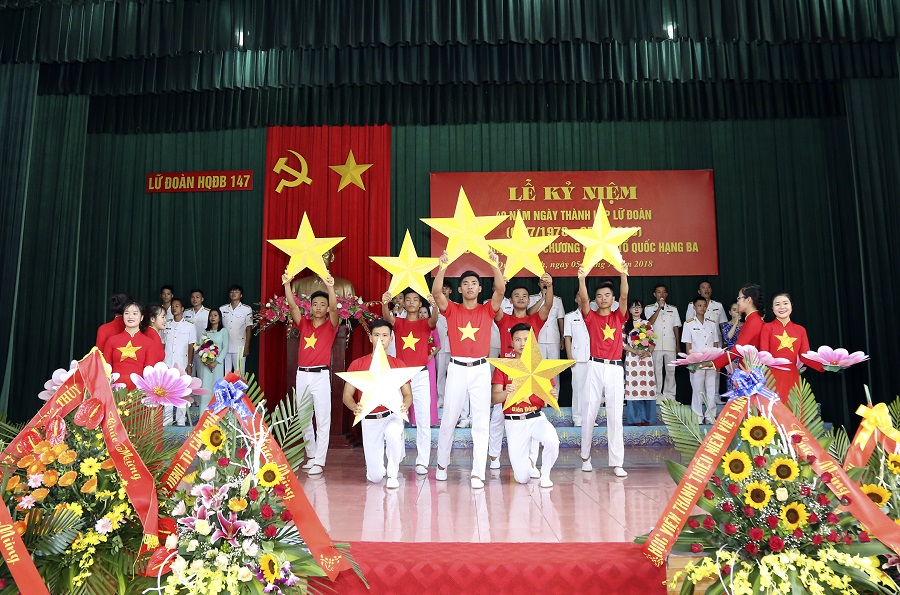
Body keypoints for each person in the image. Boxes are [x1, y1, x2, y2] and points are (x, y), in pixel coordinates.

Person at [432, 249, 505, 490]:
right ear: (460, 289)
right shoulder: (452, 309)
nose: (470, 286)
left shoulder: (487, 310)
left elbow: (500, 291)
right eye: (466, 283)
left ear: (480, 289)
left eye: (474, 283)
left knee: (481, 422)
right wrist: (442, 267)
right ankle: (441, 465)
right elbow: (436, 293)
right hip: (457, 368)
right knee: (449, 418)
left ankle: (477, 472)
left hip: (481, 369)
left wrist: (494, 265)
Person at [488, 276, 553, 470]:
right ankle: (494, 456)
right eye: (516, 295)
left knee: (532, 416)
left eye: (524, 295)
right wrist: (500, 285)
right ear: (510, 300)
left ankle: (531, 461)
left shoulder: (535, 320)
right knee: (498, 417)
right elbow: (494, 305)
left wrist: (549, 286)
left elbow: (548, 305)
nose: (521, 298)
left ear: (529, 299)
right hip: (506, 373)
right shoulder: (504, 319)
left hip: (530, 372)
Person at [341, 319, 413, 489]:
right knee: (375, 477)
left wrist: (405, 404)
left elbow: (408, 394)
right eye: (377, 335)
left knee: (393, 435)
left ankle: (393, 474)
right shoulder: (358, 364)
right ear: (370, 338)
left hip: (392, 415)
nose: (381, 339)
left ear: (391, 339)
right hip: (370, 420)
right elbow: (347, 396)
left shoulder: (398, 364)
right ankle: (379, 469)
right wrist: (354, 406)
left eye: (385, 335)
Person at [282, 270, 339, 477]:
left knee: (322, 419)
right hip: (302, 375)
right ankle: (312, 455)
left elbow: (335, 308)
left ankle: (320, 460)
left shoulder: (331, 325)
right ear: (311, 306)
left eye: (323, 304)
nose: (319, 307)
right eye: (315, 304)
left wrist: (330, 287)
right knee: (304, 418)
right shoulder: (304, 324)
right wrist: (287, 284)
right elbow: (292, 307)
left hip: (320, 376)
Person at [491, 323, 559, 488]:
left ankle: (545, 476)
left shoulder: (540, 367)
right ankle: (529, 461)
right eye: (518, 339)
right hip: (514, 422)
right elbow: (494, 398)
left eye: (526, 340)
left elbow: (550, 395)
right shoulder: (504, 367)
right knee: (522, 478)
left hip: (536, 418)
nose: (522, 343)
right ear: (512, 343)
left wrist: (553, 395)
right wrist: (506, 393)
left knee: (552, 441)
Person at [578, 263, 629, 478]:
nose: (603, 298)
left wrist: (623, 275)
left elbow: (625, 296)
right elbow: (583, 300)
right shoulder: (591, 317)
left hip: (615, 368)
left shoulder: (619, 316)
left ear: (613, 298)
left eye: (607, 295)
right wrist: (582, 279)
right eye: (599, 296)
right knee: (589, 412)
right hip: (595, 366)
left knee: (615, 415)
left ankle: (617, 462)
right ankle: (585, 457)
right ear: (595, 299)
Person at [381, 289, 439, 475]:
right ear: (403, 303)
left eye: (416, 299)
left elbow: (434, 320)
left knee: (423, 420)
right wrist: (384, 303)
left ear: (421, 304)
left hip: (421, 374)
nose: (412, 302)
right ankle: (397, 457)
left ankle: (422, 461)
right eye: (408, 299)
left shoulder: (425, 323)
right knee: (398, 417)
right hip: (401, 376)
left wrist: (435, 306)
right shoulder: (399, 323)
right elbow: (387, 318)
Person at [759, 292, 824, 398]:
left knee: (793, 406)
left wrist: (825, 365)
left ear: (791, 306)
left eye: (785, 303)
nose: (782, 307)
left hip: (792, 377)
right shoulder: (767, 328)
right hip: (772, 378)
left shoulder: (800, 330)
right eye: (777, 304)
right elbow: (764, 356)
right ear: (772, 308)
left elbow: (805, 357)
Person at [102, 302, 158, 391]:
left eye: (135, 313)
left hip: (138, 391)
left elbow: (149, 371)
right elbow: (106, 368)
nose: (130, 316)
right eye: (127, 313)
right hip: (115, 390)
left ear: (142, 317)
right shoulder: (111, 340)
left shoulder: (149, 343)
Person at [710, 285, 766, 371]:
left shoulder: (754, 321)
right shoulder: (751, 320)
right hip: (747, 367)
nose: (738, 302)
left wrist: (714, 363)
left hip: (750, 370)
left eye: (739, 298)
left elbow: (737, 350)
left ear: (748, 299)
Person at [682, 296, 719, 424]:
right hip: (697, 361)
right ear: (694, 307)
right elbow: (688, 345)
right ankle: (697, 416)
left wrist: (717, 361)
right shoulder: (689, 324)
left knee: (711, 389)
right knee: (698, 390)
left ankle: (710, 416)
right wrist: (690, 362)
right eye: (699, 305)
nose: (702, 308)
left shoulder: (712, 323)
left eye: (704, 305)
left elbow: (715, 343)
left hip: (710, 361)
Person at [622, 299, 656, 426]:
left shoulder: (647, 324)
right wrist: (635, 351)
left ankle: (647, 418)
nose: (636, 309)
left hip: (645, 360)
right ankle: (635, 419)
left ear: (642, 310)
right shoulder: (625, 324)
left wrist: (648, 352)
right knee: (634, 388)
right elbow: (622, 343)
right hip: (632, 360)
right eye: (633, 307)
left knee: (647, 387)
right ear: (629, 310)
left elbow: (652, 341)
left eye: (639, 307)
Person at [645, 284, 681, 401]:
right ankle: (657, 395)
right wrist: (659, 308)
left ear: (666, 294)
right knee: (657, 371)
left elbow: (676, 327)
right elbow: (649, 323)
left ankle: (670, 395)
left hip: (670, 344)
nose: (661, 294)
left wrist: (678, 345)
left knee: (671, 371)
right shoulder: (649, 308)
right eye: (659, 292)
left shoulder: (673, 309)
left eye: (663, 292)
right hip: (655, 344)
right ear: (654, 294)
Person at [164, 298, 196, 426]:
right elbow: (163, 344)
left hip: (182, 362)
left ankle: (181, 418)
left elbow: (191, 346)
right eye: (172, 306)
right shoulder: (166, 324)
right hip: (168, 362)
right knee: (166, 390)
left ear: (182, 309)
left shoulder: (190, 325)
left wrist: (190, 364)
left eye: (177, 306)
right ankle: (167, 419)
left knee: (182, 391)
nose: (174, 308)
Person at [564, 291, 592, 428]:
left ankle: (590, 417)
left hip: (593, 357)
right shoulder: (570, 316)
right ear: (575, 299)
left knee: (592, 390)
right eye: (579, 296)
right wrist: (569, 356)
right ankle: (578, 418)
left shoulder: (594, 315)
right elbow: (567, 337)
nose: (582, 299)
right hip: (577, 357)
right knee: (578, 389)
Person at [196, 308, 228, 410]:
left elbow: (225, 348)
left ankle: (216, 415)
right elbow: (200, 347)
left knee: (216, 389)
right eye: (211, 315)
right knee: (205, 389)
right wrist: (205, 360)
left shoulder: (223, 331)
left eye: (215, 315)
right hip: (205, 365)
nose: (212, 317)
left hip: (217, 365)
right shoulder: (205, 332)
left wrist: (216, 362)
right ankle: (203, 415)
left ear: (219, 318)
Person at [220, 284, 253, 374]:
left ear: (241, 295)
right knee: (225, 373)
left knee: (239, 373)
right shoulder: (222, 309)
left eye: (236, 291)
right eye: (232, 291)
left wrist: (247, 347)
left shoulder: (247, 309)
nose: (234, 293)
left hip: (239, 346)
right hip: (225, 346)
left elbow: (249, 329)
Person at [419, 304, 441, 426]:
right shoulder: (414, 327)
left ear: (429, 314)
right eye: (420, 312)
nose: (422, 315)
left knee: (430, 389)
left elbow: (438, 346)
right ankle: (415, 419)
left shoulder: (432, 329)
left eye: (425, 312)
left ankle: (431, 419)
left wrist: (429, 355)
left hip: (429, 362)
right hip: (416, 362)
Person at [182, 289, 210, 377]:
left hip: (202, 347)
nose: (195, 299)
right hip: (189, 346)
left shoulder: (208, 312)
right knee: (189, 373)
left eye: (197, 297)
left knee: (202, 374)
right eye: (193, 297)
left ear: (202, 299)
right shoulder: (185, 312)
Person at [720, 300, 743, 399]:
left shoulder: (745, 325)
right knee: (731, 381)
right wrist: (736, 323)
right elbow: (728, 338)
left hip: (742, 357)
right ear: (730, 312)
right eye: (734, 310)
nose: (737, 312)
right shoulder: (726, 326)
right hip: (731, 357)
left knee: (742, 382)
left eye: (738, 309)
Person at [435, 281, 452, 411]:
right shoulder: (433, 308)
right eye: (441, 288)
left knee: (452, 375)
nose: (444, 290)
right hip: (439, 345)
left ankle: (452, 399)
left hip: (453, 346)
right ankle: (441, 398)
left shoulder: (456, 306)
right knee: (440, 374)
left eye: (446, 288)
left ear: (450, 291)